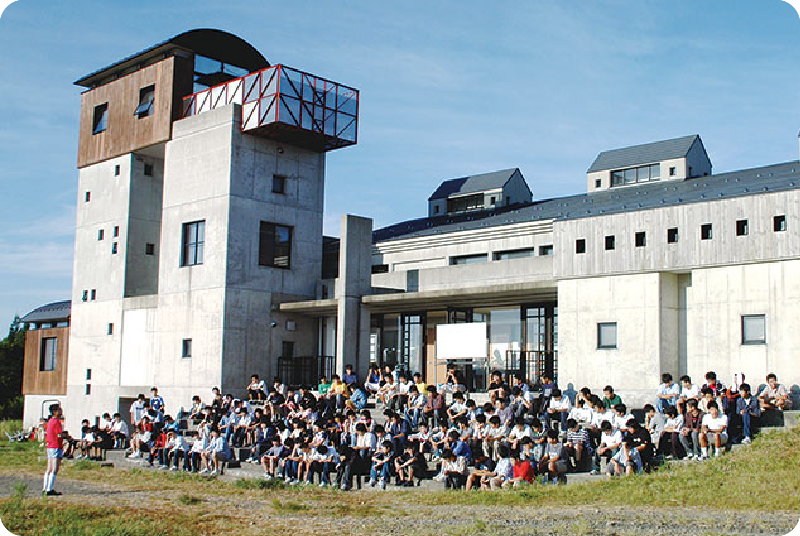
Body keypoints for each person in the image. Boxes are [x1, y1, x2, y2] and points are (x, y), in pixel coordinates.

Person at [43, 403, 69, 496]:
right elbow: (59, 434)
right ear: (55, 412)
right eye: (59, 409)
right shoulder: (57, 422)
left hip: (50, 445)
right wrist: (66, 436)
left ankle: (45, 487)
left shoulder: (50, 421)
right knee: (54, 468)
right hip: (56, 445)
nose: (61, 411)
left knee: (48, 468)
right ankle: (49, 489)